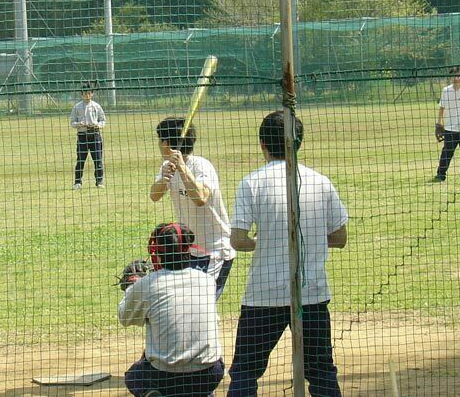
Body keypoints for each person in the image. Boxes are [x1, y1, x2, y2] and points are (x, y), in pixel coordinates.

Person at [227, 111, 348, 396]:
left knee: (245, 372)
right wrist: (305, 239)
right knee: (321, 371)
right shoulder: (320, 181)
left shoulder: (251, 182)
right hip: (311, 293)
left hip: (264, 295)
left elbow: (238, 240)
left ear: (262, 144)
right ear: (299, 142)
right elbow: (340, 237)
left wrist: (267, 241)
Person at [119, 222, 224, 397]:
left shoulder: (148, 284)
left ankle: (151, 393)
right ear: (188, 249)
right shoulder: (206, 280)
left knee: (134, 376)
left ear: (157, 252)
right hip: (210, 374)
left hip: (166, 378)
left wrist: (131, 285)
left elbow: (125, 318)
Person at [149, 118, 235, 298]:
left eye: (159, 140)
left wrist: (182, 168)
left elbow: (200, 198)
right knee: (187, 301)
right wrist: (163, 179)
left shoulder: (201, 166)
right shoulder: (167, 165)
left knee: (202, 301)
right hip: (187, 250)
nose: (158, 145)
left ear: (166, 143)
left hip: (215, 250)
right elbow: (154, 196)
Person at [69, 82, 106, 189]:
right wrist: (78, 124)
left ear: (92, 94)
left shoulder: (96, 106)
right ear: (81, 94)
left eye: (89, 93)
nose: (87, 95)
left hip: (95, 134)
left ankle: (99, 181)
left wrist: (98, 125)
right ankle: (77, 182)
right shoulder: (77, 107)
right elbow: (72, 122)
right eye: (85, 93)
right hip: (82, 135)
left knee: (97, 159)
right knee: (80, 159)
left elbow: (103, 120)